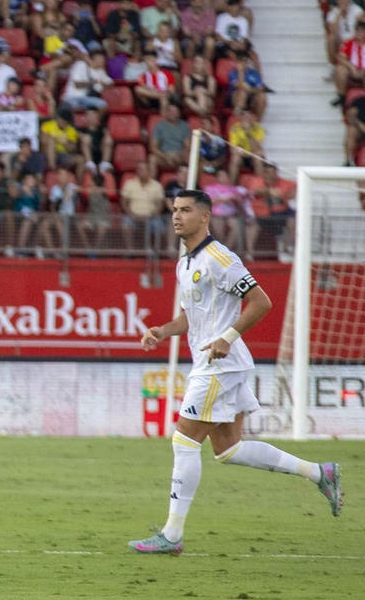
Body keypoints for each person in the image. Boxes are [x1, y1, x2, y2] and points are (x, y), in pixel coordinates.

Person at [129, 191, 342, 554]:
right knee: (228, 449)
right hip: (216, 362)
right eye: (174, 210)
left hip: (219, 365)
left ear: (205, 217)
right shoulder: (186, 261)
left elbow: (262, 301)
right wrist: (164, 331)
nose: (177, 217)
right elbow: (192, 316)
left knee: (184, 440)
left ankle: (172, 536)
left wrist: (228, 336)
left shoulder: (220, 258)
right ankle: (319, 472)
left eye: (186, 210)